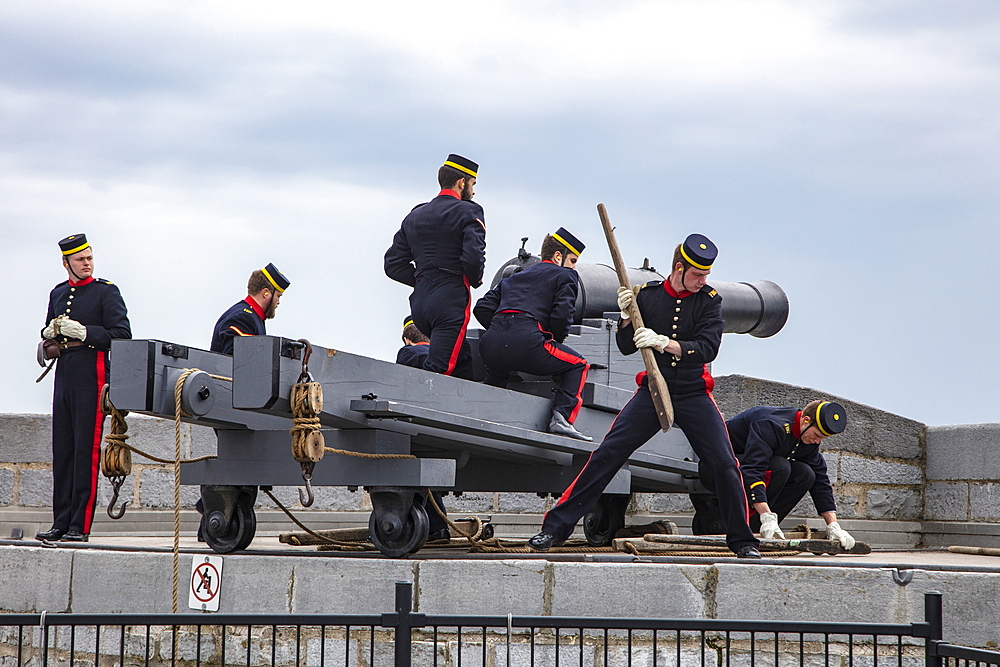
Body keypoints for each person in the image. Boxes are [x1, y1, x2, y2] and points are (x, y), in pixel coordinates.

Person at [527, 234, 761, 558]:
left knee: (724, 463)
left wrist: (665, 343)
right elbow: (625, 346)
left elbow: (708, 348)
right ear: (679, 268)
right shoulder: (648, 297)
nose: (703, 280)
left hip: (693, 393)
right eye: (698, 275)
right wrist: (626, 316)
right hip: (653, 389)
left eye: (706, 275)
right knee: (607, 454)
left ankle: (744, 541)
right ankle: (553, 530)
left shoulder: (709, 301)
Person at [36, 234, 131, 542]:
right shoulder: (58, 293)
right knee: (63, 451)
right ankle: (60, 522)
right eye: (80, 260)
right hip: (64, 373)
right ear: (67, 263)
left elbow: (121, 334)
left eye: (89, 258)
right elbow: (49, 330)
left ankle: (80, 524)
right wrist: (48, 334)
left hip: (93, 373)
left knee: (84, 451)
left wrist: (85, 332)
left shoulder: (106, 292)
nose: (87, 264)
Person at [473, 228, 591, 441]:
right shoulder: (566, 275)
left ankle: (485, 409)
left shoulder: (515, 276)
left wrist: (501, 330)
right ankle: (562, 419)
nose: (574, 267)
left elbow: (481, 308)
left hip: (491, 345)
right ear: (558, 256)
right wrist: (553, 338)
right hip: (528, 343)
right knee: (579, 364)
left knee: (499, 372)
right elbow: (562, 315)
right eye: (573, 260)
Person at [384, 154, 486, 380]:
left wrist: (422, 279)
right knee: (440, 370)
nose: (474, 191)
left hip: (420, 306)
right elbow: (473, 259)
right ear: (462, 182)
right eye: (473, 184)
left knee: (461, 356)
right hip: (450, 302)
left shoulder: (416, 214)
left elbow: (392, 264)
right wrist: (475, 278)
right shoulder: (469, 211)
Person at [723, 400, 856, 548]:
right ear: (805, 420)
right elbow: (753, 469)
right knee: (781, 467)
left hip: (747, 468)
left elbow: (821, 481)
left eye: (822, 439)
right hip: (722, 469)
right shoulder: (772, 425)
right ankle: (749, 522)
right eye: (817, 434)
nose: (817, 441)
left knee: (806, 474)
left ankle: (758, 527)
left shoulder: (808, 440)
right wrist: (766, 516)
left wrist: (833, 525)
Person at [394, 316, 450, 541]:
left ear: (407, 339)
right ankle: (438, 527)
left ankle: (417, 525)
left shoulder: (408, 353)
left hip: (415, 421)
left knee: (410, 472)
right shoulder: (442, 355)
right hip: (443, 422)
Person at [210, 263, 290, 355]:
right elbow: (242, 363)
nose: (278, 302)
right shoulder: (243, 317)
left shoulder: (251, 316)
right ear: (266, 293)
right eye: (278, 296)